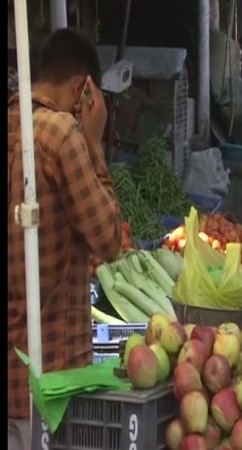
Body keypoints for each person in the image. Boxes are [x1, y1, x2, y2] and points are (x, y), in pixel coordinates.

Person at [8, 29, 122, 450]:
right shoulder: (61, 135)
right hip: (49, 383)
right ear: (84, 89)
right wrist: (94, 141)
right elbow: (109, 239)